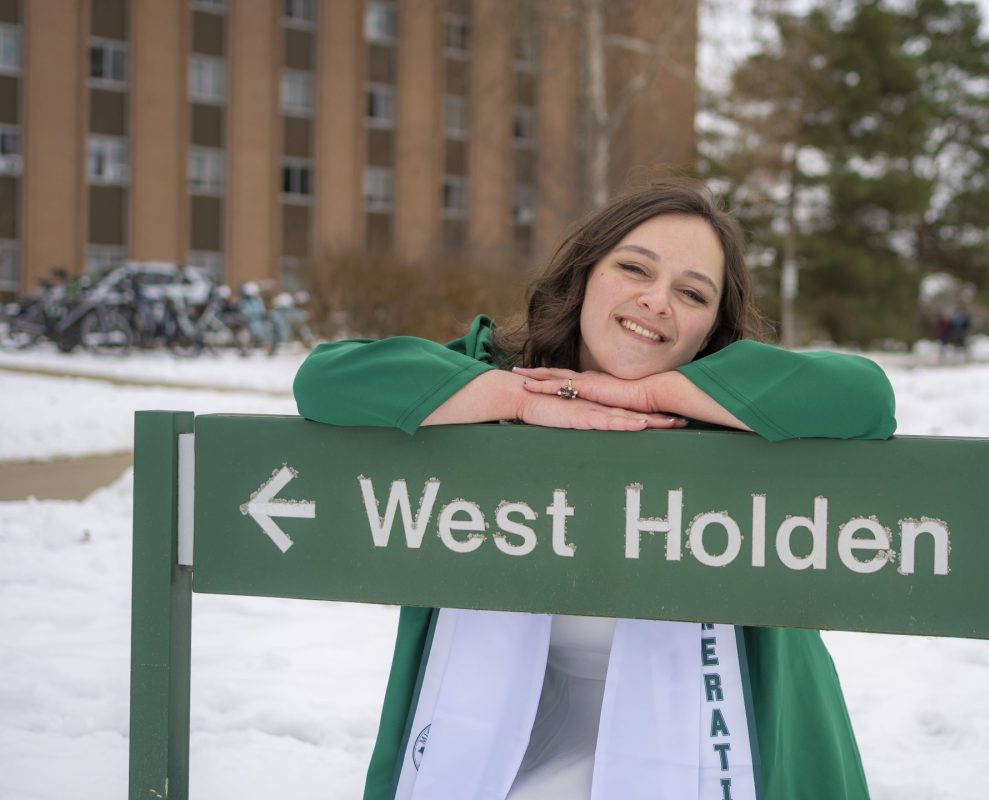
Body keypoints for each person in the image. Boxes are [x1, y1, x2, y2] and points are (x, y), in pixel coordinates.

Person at [293, 179, 896, 800]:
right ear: (584, 276)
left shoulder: (746, 414)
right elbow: (326, 380)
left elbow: (868, 397)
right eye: (634, 268)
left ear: (711, 330)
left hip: (707, 758)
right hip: (513, 750)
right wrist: (523, 399)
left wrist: (648, 394)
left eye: (691, 292)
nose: (656, 301)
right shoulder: (488, 385)